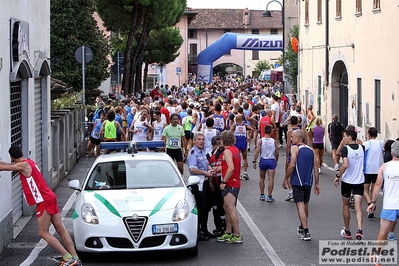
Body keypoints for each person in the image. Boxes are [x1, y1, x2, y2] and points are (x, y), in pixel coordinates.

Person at [0, 146, 82, 266]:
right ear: (22, 153)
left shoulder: (22, 166)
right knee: (60, 229)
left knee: (43, 232)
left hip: (43, 200)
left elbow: (4, 167)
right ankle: (75, 258)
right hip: (50, 197)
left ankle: (68, 258)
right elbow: (7, 164)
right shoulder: (28, 162)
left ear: (12, 157)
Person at [282, 130, 320, 241]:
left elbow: (292, 164)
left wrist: (285, 178)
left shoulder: (295, 148)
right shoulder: (311, 150)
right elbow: (315, 168)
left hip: (297, 181)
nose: (290, 139)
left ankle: (306, 230)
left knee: (300, 205)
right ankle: (302, 226)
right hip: (308, 181)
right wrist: (316, 183)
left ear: (298, 138)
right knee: (305, 204)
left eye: (292, 137)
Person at [367, 141, 399, 263]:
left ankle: (377, 256)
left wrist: (372, 202)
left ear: (391, 153)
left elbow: (378, 185)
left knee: (383, 232)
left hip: (389, 205)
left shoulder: (385, 167)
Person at [334, 129, 365, 240]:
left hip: (347, 181)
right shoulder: (362, 148)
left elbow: (345, 164)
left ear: (350, 137)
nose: (344, 139)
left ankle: (347, 230)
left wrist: (338, 176)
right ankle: (360, 230)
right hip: (359, 181)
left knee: (346, 205)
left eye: (345, 137)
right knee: (358, 207)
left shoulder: (345, 149)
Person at [216, 130, 243, 244]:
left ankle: (237, 234)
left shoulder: (227, 152)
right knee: (226, 207)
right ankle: (228, 232)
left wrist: (224, 181)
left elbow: (231, 168)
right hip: (234, 181)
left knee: (230, 208)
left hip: (231, 182)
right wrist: (216, 169)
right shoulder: (235, 150)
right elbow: (229, 165)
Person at [187, 132, 214, 241]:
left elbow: (206, 163)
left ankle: (204, 229)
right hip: (198, 182)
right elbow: (192, 169)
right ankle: (198, 231)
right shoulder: (193, 153)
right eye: (199, 139)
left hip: (205, 181)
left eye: (203, 139)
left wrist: (210, 169)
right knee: (201, 208)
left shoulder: (202, 151)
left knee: (207, 207)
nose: (201, 141)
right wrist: (206, 173)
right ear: (194, 141)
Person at [253, 125, 279, 202]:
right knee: (271, 178)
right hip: (271, 160)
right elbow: (277, 152)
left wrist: (254, 160)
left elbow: (257, 151)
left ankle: (262, 194)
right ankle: (269, 195)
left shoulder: (261, 140)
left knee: (262, 178)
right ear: (271, 131)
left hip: (263, 160)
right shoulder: (274, 141)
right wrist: (276, 160)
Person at [363, 127, 384, 219]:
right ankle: (372, 204)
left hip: (368, 169)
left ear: (369, 134)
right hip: (378, 170)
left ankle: (370, 204)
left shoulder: (366, 144)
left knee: (365, 190)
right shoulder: (381, 143)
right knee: (374, 190)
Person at [230, 114, 253, 180]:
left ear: (236, 119)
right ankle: (245, 172)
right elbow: (252, 129)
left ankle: (239, 174)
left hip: (237, 143)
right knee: (245, 158)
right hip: (244, 142)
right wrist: (249, 137)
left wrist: (233, 139)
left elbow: (230, 133)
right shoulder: (245, 125)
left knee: (237, 159)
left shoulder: (234, 125)